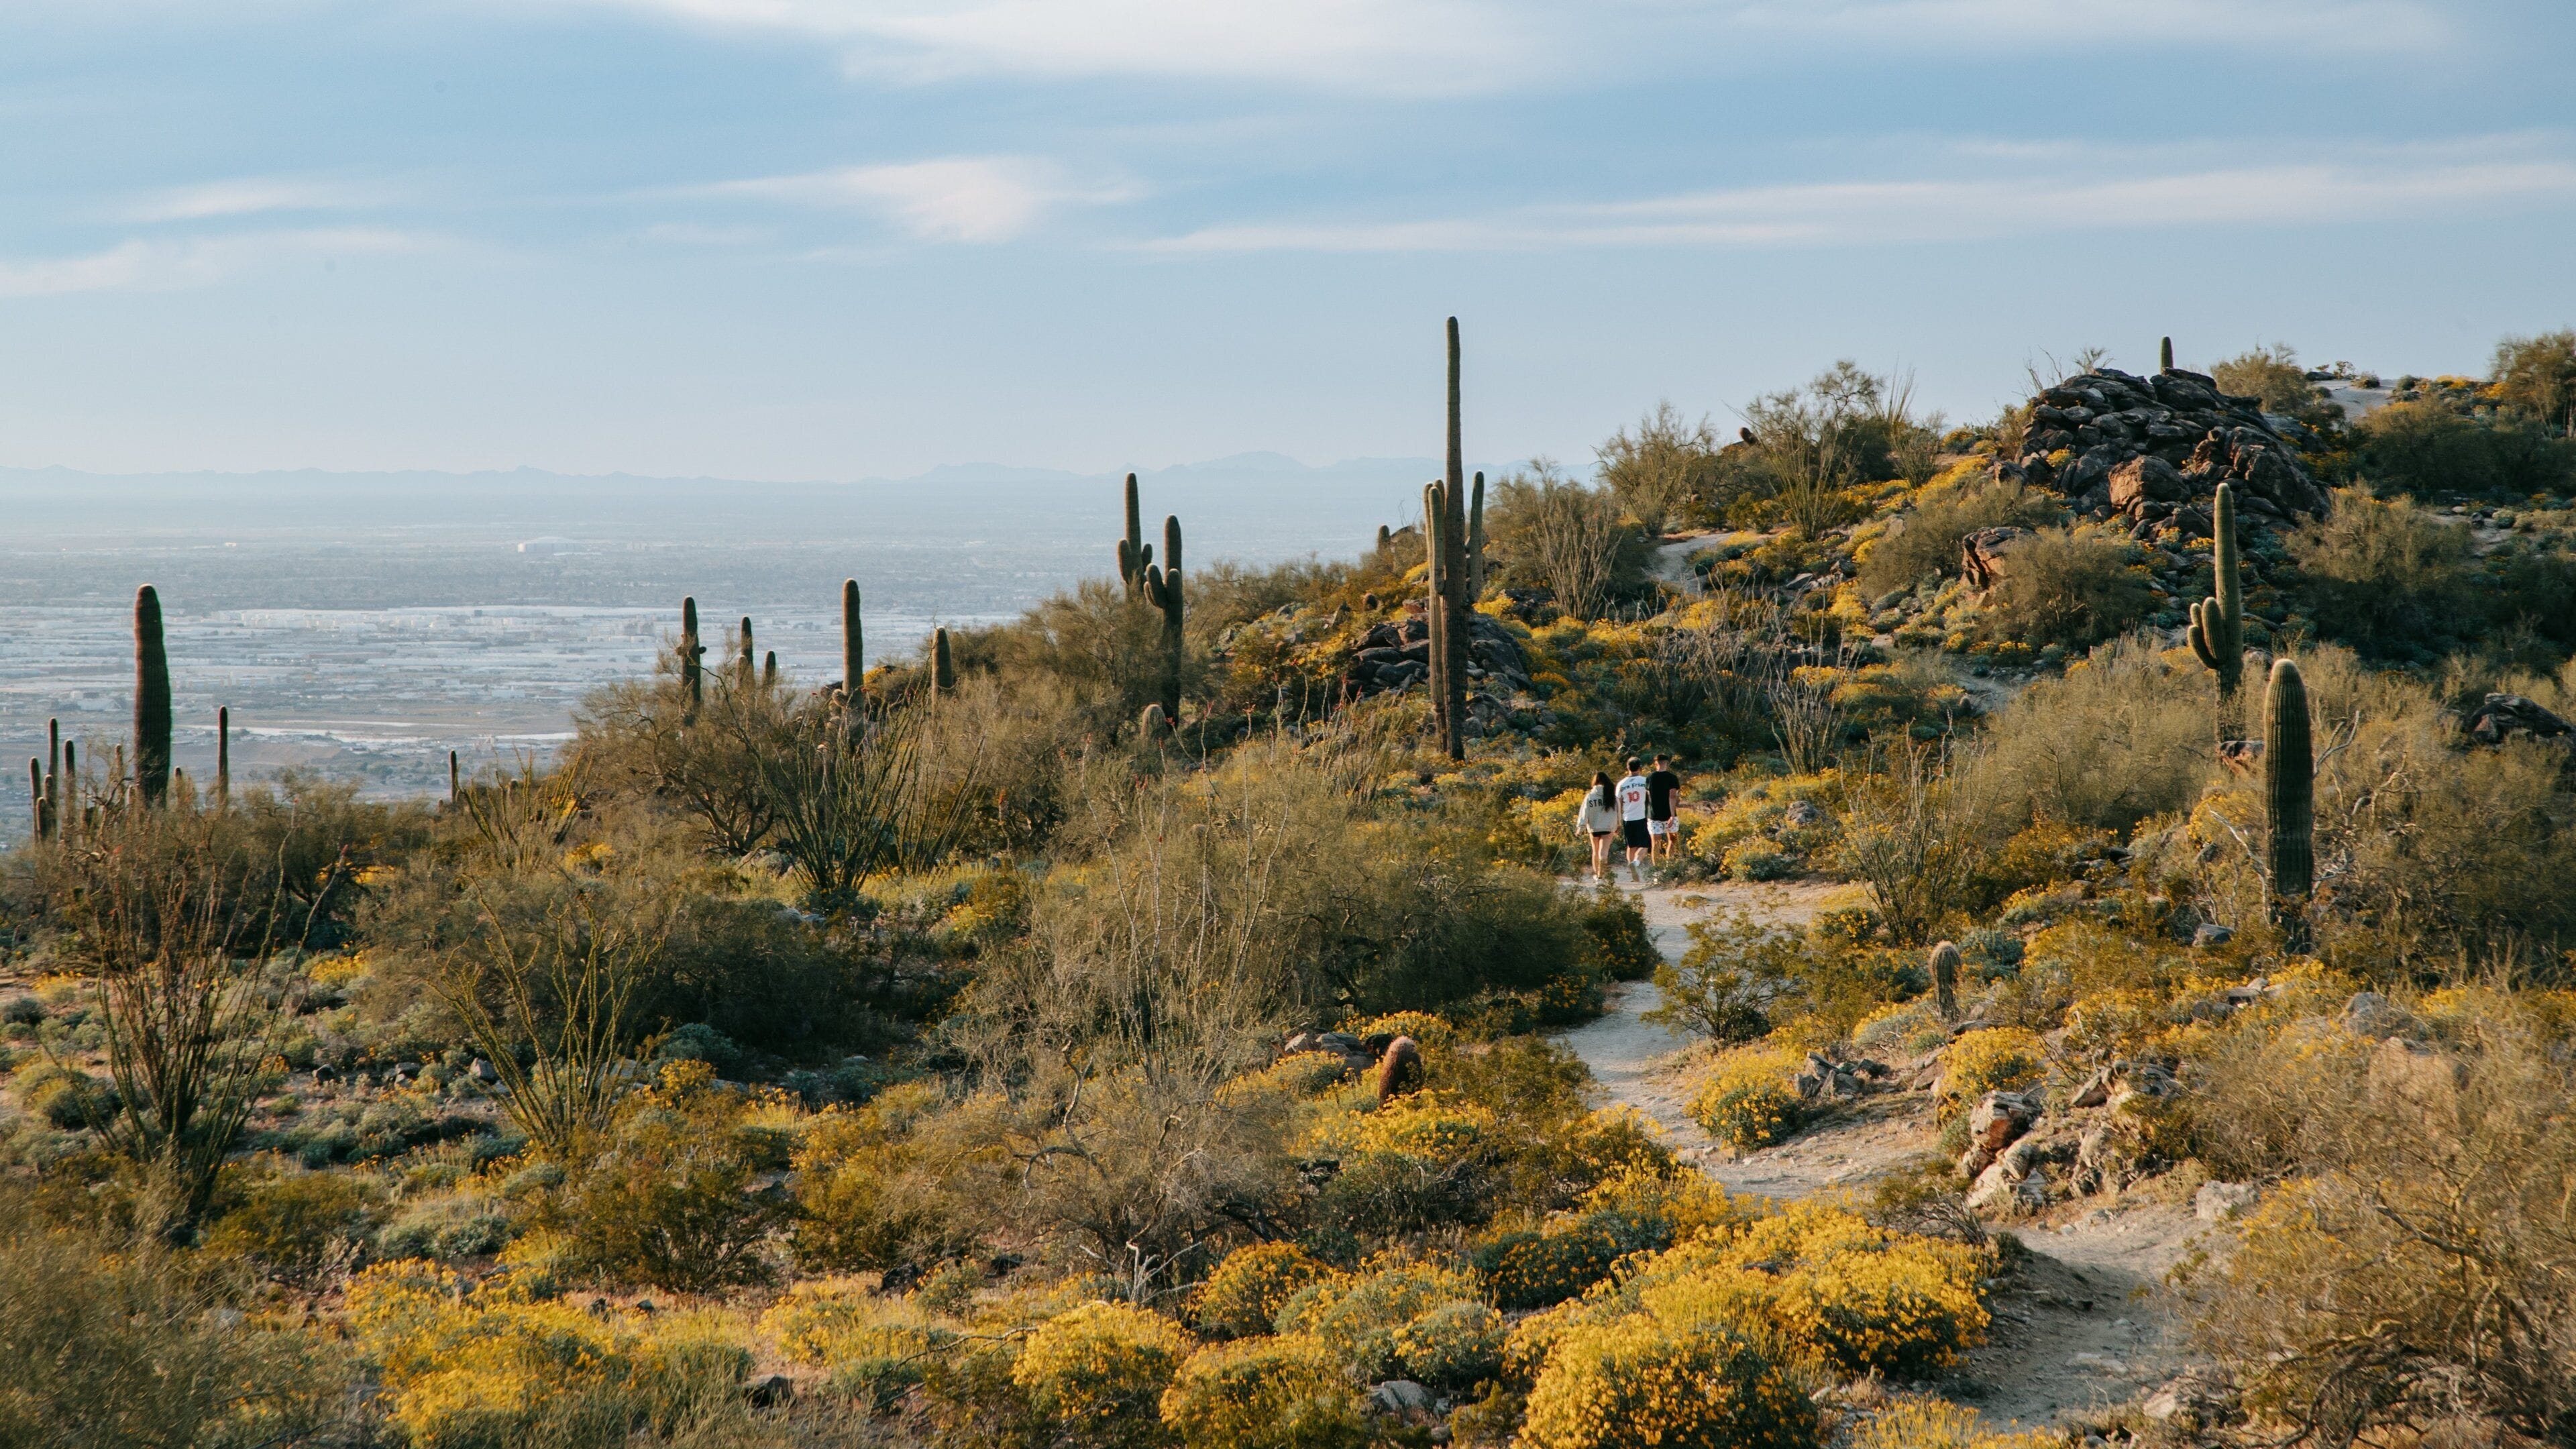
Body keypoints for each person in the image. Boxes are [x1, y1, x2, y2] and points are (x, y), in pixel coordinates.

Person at [1576, 771, 1620, 882]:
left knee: (1595, 852)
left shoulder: (1590, 796)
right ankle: (1601, 876)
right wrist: (1618, 824)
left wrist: (1580, 827)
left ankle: (1596, 875)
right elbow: (1618, 812)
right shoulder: (1612, 796)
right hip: (1608, 827)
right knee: (1604, 852)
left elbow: (1584, 812)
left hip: (1594, 827)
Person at [1615, 756, 1652, 883]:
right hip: (1641, 817)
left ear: (1628, 768)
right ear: (1640, 768)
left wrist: (1618, 822)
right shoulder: (1645, 781)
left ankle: (1632, 871)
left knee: (1631, 845)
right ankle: (1636, 863)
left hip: (1627, 818)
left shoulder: (1621, 784)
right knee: (1645, 845)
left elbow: (1618, 804)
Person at [1646, 752, 1683, 865]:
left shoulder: (1650, 778)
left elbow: (1648, 796)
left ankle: (1656, 869)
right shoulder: (1672, 778)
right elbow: (1672, 796)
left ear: (1655, 763)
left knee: (1655, 843)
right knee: (1672, 840)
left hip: (1654, 814)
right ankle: (1669, 864)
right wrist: (1672, 815)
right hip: (1669, 814)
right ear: (1667, 763)